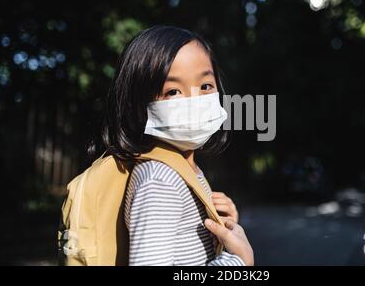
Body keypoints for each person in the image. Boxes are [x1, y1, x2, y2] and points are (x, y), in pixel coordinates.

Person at [98, 25, 254, 266]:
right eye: (173, 91)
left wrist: (225, 229)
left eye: (205, 86)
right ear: (138, 105)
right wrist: (238, 262)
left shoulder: (182, 170)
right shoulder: (160, 179)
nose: (195, 101)